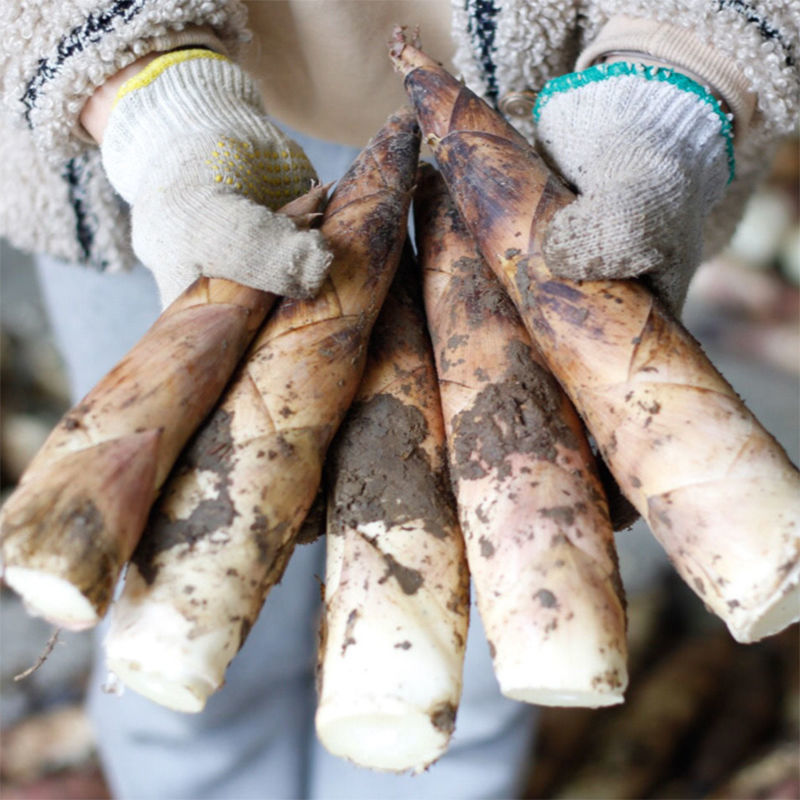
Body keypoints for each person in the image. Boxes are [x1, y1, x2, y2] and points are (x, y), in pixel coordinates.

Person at [1, 2, 797, 798]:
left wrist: (666, 97)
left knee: (490, 643)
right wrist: (155, 111)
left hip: (563, 146)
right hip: (164, 148)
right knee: (177, 582)